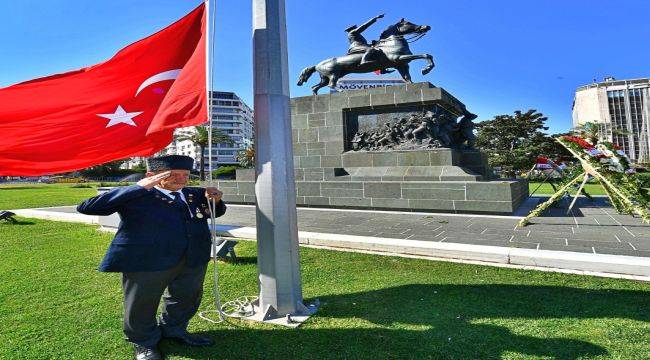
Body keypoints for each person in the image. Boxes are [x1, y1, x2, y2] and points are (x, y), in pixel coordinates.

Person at [77, 155, 227, 360]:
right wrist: (138, 187)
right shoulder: (138, 195)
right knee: (142, 302)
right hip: (148, 259)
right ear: (151, 176)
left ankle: (175, 329)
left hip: (192, 257)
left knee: (186, 297)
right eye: (173, 175)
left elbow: (213, 212)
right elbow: (87, 207)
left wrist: (216, 201)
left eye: (185, 175)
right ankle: (143, 341)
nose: (181, 179)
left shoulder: (194, 193)